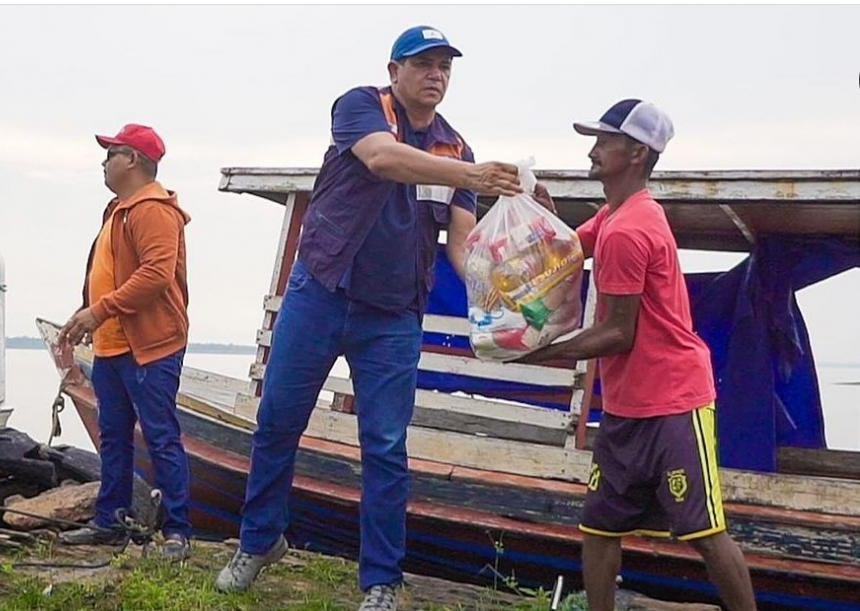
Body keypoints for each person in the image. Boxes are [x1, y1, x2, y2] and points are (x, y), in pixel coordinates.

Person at [215, 25, 521, 611]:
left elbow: (461, 246)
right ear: (394, 70)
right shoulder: (360, 107)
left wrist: (499, 285)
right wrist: (473, 179)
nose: (436, 75)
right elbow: (383, 159)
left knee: (384, 444)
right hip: (321, 291)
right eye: (424, 64)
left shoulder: (459, 151)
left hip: (393, 315)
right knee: (278, 421)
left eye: (445, 67)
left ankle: (381, 580)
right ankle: (257, 543)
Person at [524, 100, 757, 611]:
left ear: (635, 152)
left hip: (673, 401)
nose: (592, 150)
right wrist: (540, 215)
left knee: (703, 530)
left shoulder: (629, 230)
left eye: (603, 141)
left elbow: (616, 334)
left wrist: (540, 353)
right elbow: (565, 253)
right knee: (599, 524)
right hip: (629, 404)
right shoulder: (615, 216)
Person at [58, 123, 193, 561]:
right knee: (113, 436)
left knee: (160, 436)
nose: (104, 161)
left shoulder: (153, 208)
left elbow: (154, 275)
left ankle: (178, 532)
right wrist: (86, 316)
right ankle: (110, 521)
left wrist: (98, 311)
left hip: (151, 345)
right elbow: (106, 272)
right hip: (113, 345)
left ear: (132, 159)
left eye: (111, 153)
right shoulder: (118, 208)